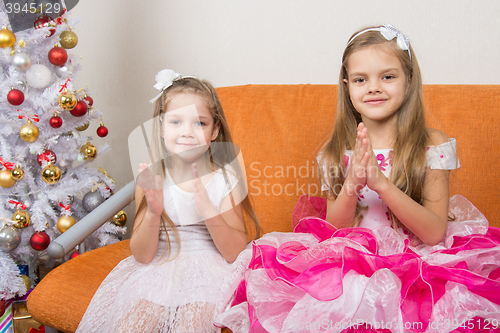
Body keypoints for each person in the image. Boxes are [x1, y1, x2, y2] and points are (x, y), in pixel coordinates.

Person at [215, 24, 500, 332]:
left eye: (388, 76)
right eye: (361, 79)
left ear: (409, 80)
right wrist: (352, 185)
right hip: (353, 264)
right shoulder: (336, 153)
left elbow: (433, 232)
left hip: (417, 264)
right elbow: (334, 230)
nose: (374, 87)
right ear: (347, 85)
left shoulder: (430, 146)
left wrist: (382, 185)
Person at [76, 69, 261, 333]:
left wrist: (208, 209)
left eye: (199, 123)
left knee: (191, 326)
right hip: (157, 269)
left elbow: (234, 252)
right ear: (161, 128)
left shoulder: (224, 177)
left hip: (209, 273)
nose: (187, 132)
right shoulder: (150, 178)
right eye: (175, 122)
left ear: (214, 129)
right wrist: (152, 213)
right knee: (133, 327)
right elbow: (142, 254)